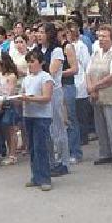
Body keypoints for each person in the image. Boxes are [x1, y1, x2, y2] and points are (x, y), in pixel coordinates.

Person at [87, 24, 112, 169]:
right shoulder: (95, 53)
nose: (101, 39)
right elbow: (88, 72)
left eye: (104, 36)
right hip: (97, 96)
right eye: (99, 36)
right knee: (101, 127)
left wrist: (95, 86)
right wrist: (91, 89)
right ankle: (105, 153)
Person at [17, 49, 55, 191]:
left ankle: (45, 178)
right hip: (29, 115)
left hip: (42, 117)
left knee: (41, 147)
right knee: (32, 147)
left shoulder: (45, 77)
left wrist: (29, 98)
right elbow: (23, 95)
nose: (30, 65)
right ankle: (36, 176)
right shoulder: (27, 78)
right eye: (28, 62)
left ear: (41, 62)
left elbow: (46, 98)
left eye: (33, 61)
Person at [37, 22, 71, 177]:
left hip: (54, 91)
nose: (38, 35)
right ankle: (50, 161)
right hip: (40, 91)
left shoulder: (57, 51)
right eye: (38, 32)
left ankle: (63, 162)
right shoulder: (37, 50)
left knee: (58, 128)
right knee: (46, 130)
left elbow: (51, 71)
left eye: (42, 32)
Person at [57, 25, 84, 164]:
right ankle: (63, 151)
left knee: (70, 119)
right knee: (60, 120)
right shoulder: (54, 49)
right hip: (57, 86)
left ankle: (75, 151)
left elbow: (75, 69)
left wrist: (58, 74)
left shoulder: (67, 47)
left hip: (67, 85)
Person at [67, 22, 95, 146]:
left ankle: (83, 137)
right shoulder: (65, 47)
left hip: (80, 82)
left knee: (81, 113)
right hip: (71, 84)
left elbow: (87, 64)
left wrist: (87, 82)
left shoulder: (81, 46)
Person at [0, 52, 21, 165]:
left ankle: (13, 155)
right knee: (4, 130)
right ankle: (8, 151)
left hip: (9, 105)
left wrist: (2, 102)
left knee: (11, 130)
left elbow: (10, 91)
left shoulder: (11, 76)